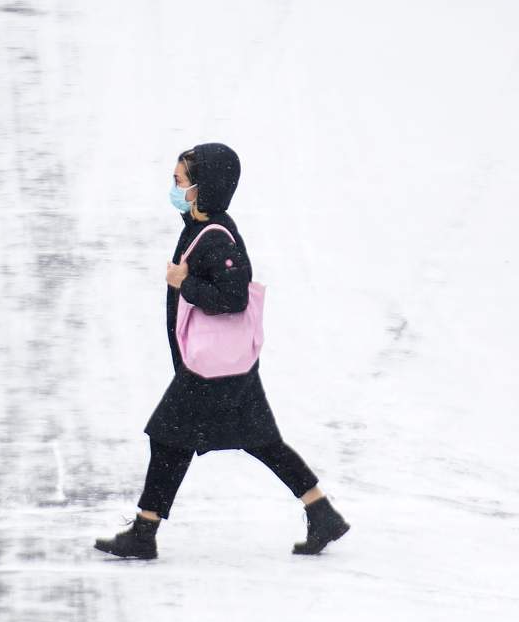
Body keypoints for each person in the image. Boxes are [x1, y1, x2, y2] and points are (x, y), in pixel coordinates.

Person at [94, 143, 350, 559]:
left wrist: (184, 284)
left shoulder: (217, 238)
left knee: (168, 439)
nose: (174, 188)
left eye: (180, 182)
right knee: (260, 441)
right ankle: (321, 512)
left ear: (203, 187)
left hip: (210, 372)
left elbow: (232, 298)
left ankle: (144, 532)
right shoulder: (202, 224)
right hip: (226, 367)